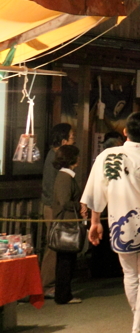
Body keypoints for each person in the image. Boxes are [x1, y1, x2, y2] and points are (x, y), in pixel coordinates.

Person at [81, 112, 140, 333]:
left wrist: (95, 222)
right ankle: (139, 325)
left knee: (130, 274)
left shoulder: (107, 155)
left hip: (118, 222)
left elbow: (96, 191)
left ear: (125, 132)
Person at [40, 123, 75, 296]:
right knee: (54, 245)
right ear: (63, 141)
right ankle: (46, 285)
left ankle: (50, 283)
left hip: (53, 205)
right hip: (53, 207)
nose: (73, 140)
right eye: (71, 137)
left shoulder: (53, 155)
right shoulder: (54, 158)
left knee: (55, 244)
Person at [51, 144, 83, 305]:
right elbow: (64, 202)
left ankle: (64, 293)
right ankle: (63, 295)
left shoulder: (66, 176)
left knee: (66, 260)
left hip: (68, 222)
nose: (79, 158)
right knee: (65, 261)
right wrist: (80, 206)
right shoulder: (64, 177)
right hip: (66, 224)